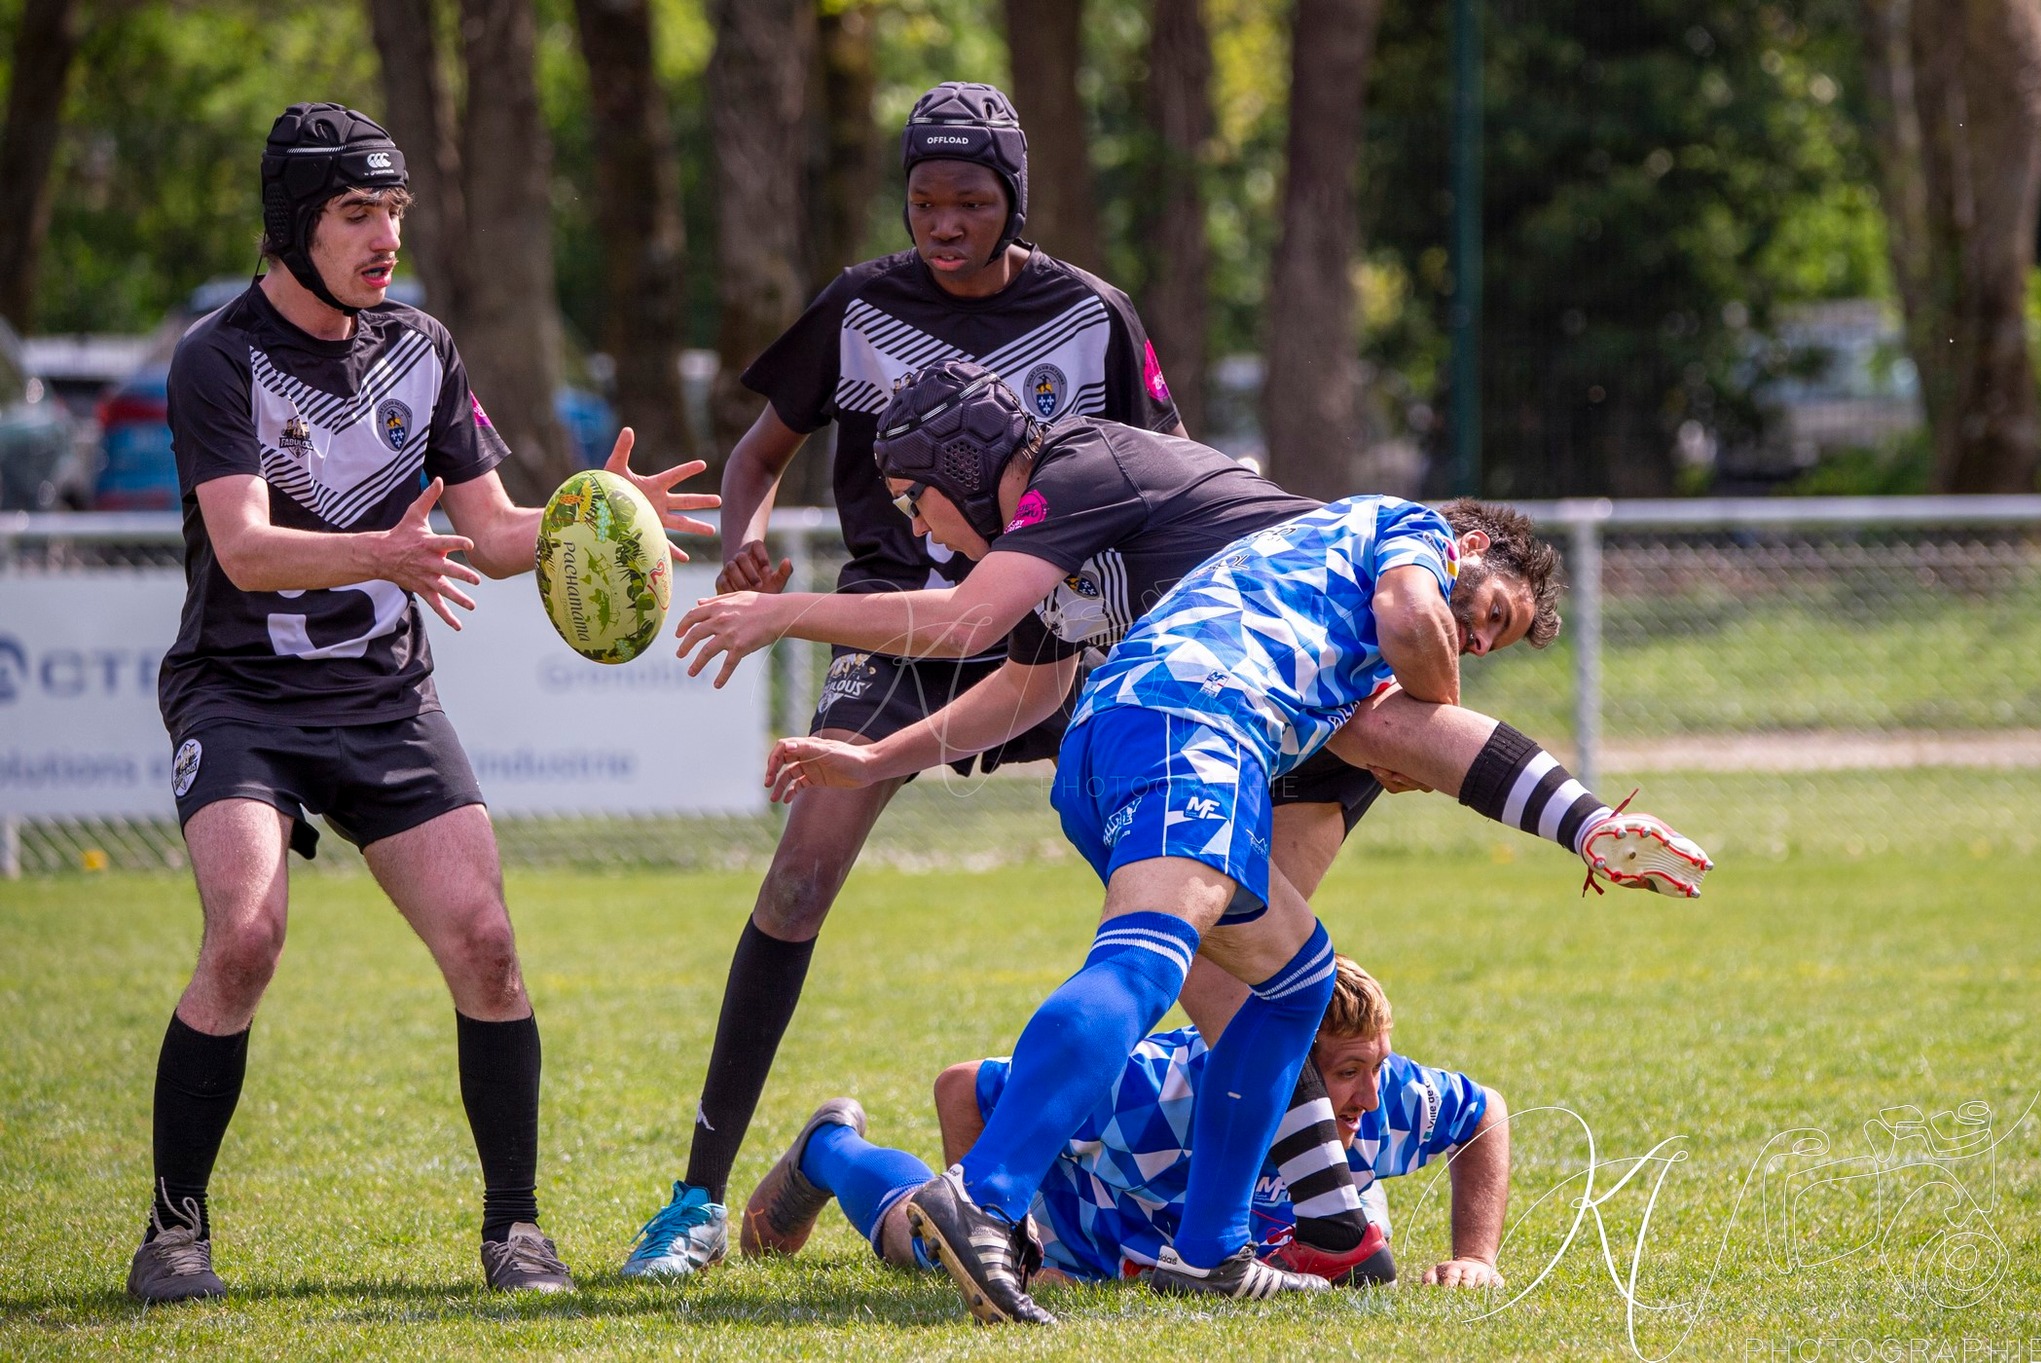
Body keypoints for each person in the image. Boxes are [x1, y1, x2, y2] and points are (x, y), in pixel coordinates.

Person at [127, 102, 717, 1304]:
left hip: (384, 702)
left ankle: (516, 1233)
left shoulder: (423, 346)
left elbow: (494, 530)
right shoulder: (217, 358)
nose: (384, 234)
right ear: (294, 225)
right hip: (241, 697)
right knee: (245, 939)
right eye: (355, 213)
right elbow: (241, 549)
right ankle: (173, 1230)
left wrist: (589, 509)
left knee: (488, 947)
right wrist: (381, 556)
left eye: (392, 209)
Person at [877, 483, 1708, 1323]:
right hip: (1189, 727)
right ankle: (983, 1192)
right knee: (1143, 964)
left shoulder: (1320, 601)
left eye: (1496, 640)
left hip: (1139, 731)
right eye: (1494, 611)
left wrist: (1584, 823)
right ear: (1475, 542)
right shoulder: (1412, 532)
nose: (1481, 638)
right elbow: (1416, 622)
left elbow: (1421, 729)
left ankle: (1210, 1251)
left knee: (1295, 982)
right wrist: (1445, 723)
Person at [622, 81, 1186, 1280]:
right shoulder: (861, 306)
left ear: (1010, 200)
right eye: (924, 199)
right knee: (799, 875)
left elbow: (1154, 468)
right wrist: (743, 535)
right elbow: (754, 453)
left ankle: (1225, 1186)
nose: (943, 220)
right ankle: (693, 1201)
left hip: (1062, 628)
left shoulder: (1089, 315)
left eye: (969, 200)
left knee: (1172, 881)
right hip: (896, 630)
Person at [737, 955, 1509, 1292]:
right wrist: (1004, 1244)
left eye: (1377, 1064)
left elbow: (1486, 1116)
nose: (1370, 1097)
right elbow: (963, 1088)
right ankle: (830, 1147)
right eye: (1345, 1072)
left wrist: (1475, 1256)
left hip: (1160, 1253)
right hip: (1071, 1230)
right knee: (926, 1241)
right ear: (1287, 1066)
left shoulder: (1385, 1095)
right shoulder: (1152, 1090)